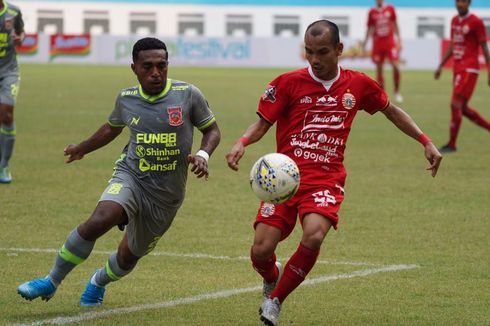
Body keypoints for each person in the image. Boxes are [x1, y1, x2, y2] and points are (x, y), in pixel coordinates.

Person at [226, 20, 442, 326]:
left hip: (325, 180)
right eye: (309, 52)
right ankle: (271, 275)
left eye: (322, 52)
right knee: (261, 250)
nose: (315, 59)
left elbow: (391, 111)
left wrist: (426, 141)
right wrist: (241, 143)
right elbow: (263, 122)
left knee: (313, 235)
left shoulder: (358, 84)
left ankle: (275, 301)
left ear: (339, 50)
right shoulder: (287, 83)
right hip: (283, 181)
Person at [17, 37, 221, 306]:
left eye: (161, 66)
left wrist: (204, 154)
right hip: (132, 176)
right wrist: (82, 148)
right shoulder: (126, 99)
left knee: (128, 256)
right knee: (100, 218)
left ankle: (98, 280)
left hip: (166, 194)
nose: (155, 73)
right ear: (134, 68)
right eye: (147, 66)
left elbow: (212, 130)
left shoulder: (188, 94)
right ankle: (51, 280)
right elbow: (112, 128)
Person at [434, 0, 490, 153]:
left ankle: (452, 144)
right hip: (458, 69)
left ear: (469, 3)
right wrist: (441, 65)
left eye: (463, 1)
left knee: (455, 104)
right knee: (463, 108)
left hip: (469, 69)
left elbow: (484, 45)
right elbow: (453, 44)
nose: (460, 4)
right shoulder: (454, 21)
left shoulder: (476, 22)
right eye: (458, 1)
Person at [0, 0, 24, 183]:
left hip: (9, 71)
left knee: (7, 115)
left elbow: (21, 33)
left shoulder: (14, 12)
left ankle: (4, 165)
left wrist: (20, 38)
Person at [362, 0, 403, 103]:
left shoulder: (390, 9)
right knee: (379, 69)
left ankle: (396, 92)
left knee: (396, 66)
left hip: (390, 43)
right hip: (378, 43)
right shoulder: (372, 12)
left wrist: (399, 39)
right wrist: (365, 41)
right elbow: (370, 27)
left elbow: (394, 23)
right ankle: (383, 94)